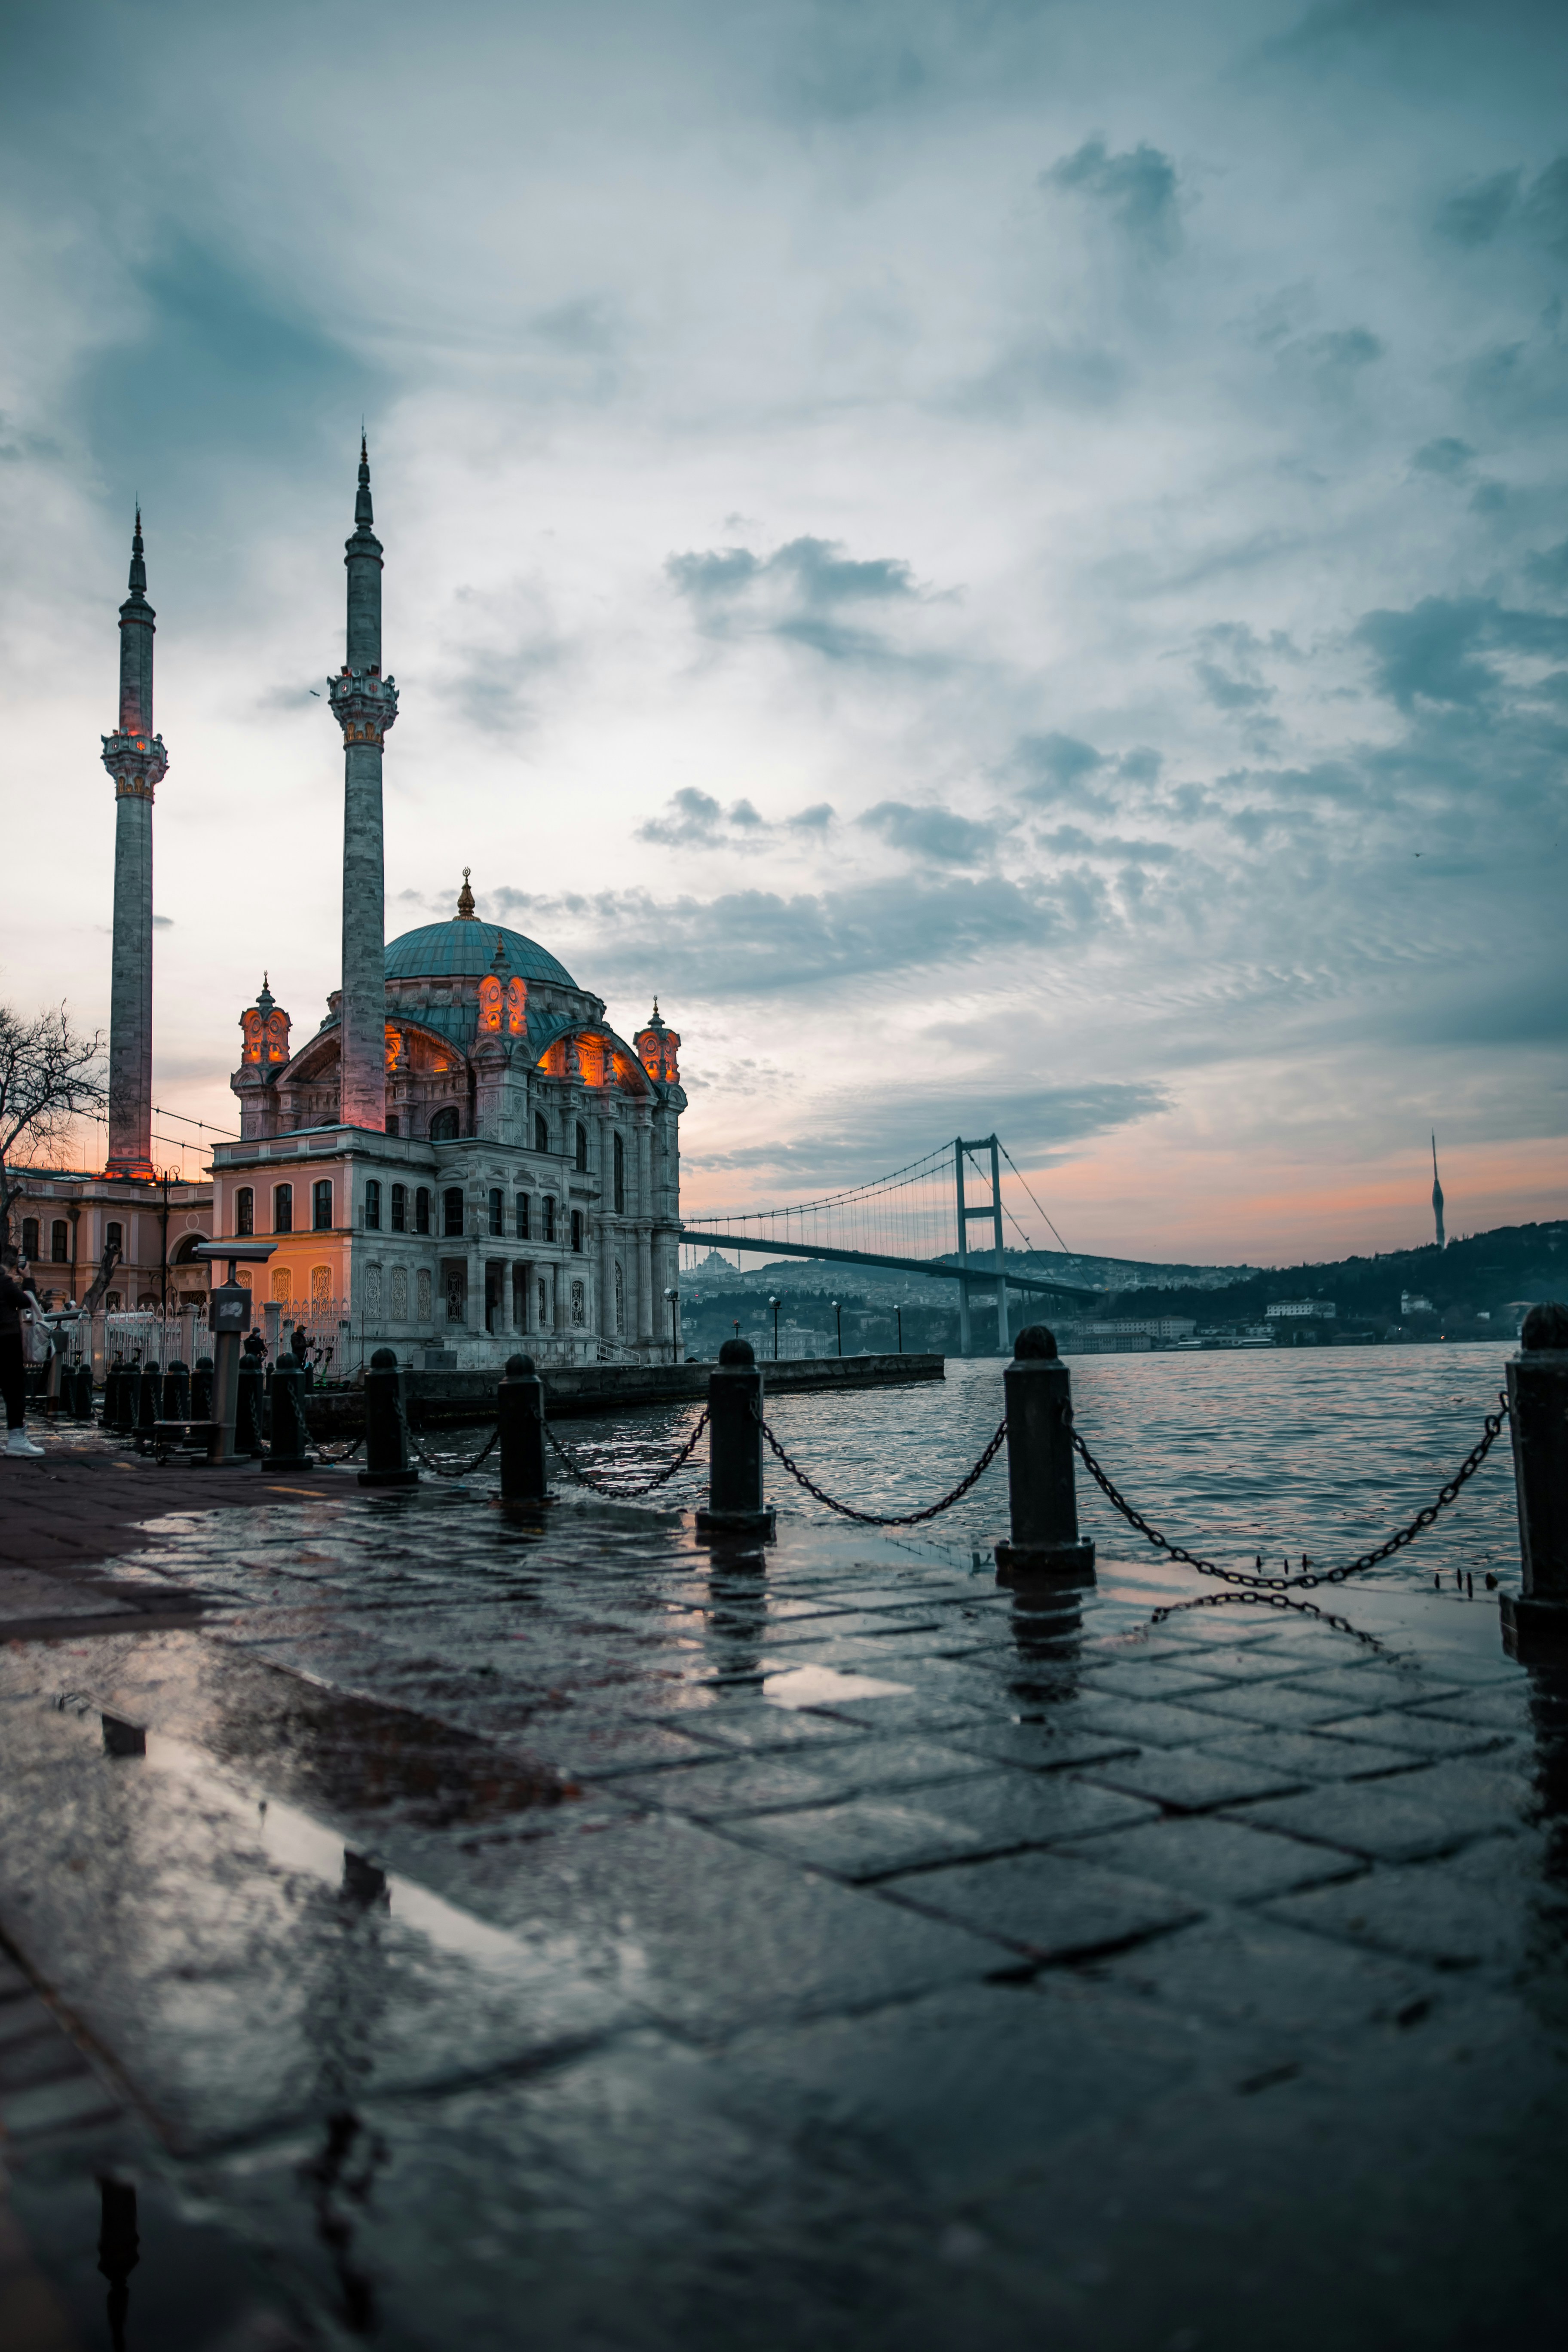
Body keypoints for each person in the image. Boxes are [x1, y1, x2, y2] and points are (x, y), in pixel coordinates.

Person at [0, 1247, 46, 1457]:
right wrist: (27, 1278)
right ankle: (17, 1440)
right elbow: (25, 1302)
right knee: (15, 1389)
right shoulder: (4, 1283)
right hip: (6, 1342)